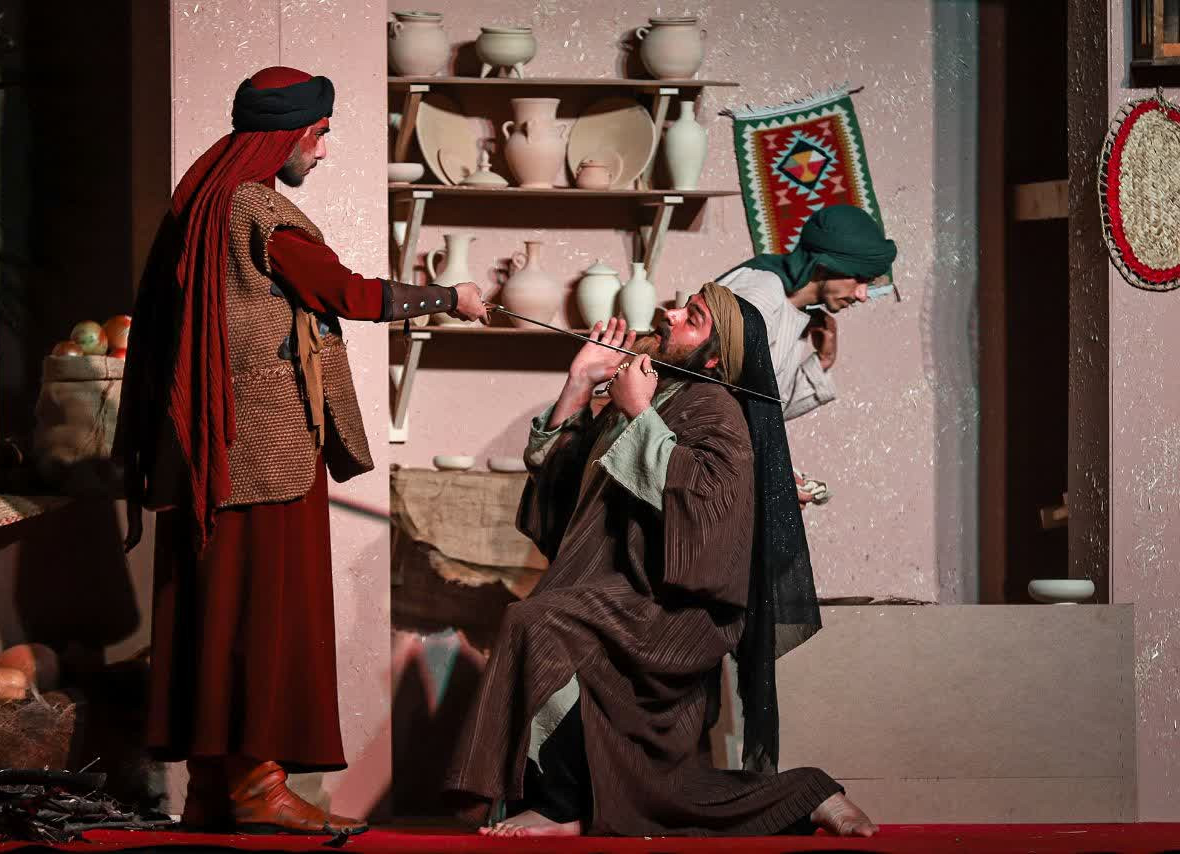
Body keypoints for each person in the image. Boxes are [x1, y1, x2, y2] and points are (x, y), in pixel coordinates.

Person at [113, 66, 487, 840]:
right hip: (264, 453)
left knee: (219, 612)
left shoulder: (202, 199)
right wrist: (448, 298)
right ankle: (258, 785)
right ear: (286, 134)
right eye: (318, 134)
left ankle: (214, 790)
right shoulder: (256, 209)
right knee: (267, 614)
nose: (323, 148)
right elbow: (347, 293)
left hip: (210, 450)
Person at [445, 283, 876, 839]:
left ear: (714, 358)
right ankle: (806, 795)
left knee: (536, 623)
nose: (669, 315)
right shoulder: (656, 392)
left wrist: (639, 412)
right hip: (615, 593)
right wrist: (580, 381)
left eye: (691, 317)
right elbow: (565, 488)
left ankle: (561, 808)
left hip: (671, 608)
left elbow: (709, 505)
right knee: (651, 792)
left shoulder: (713, 405)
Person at [715, 204, 897, 503]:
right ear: (823, 265)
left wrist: (822, 363)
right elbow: (710, 404)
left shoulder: (794, 310)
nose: (863, 295)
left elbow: (766, 408)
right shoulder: (760, 294)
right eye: (859, 278)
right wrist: (768, 475)